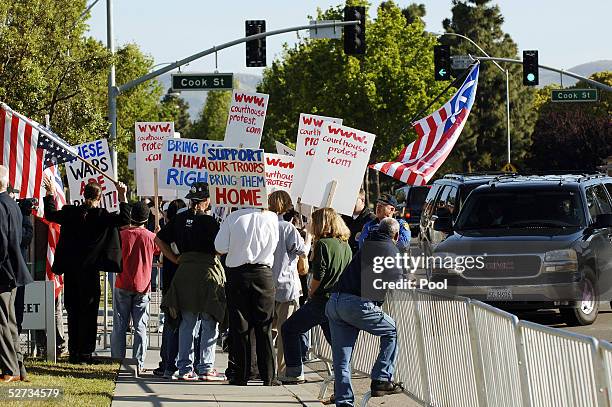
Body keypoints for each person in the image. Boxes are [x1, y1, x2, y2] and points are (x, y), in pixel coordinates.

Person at [43, 177, 127, 364]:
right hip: (90, 273)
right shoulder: (101, 216)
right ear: (100, 197)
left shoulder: (71, 213)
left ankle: (74, 351)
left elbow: (50, 215)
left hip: (72, 272)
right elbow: (124, 219)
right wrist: (122, 196)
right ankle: (85, 353)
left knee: (73, 312)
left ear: (83, 195)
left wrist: (50, 194)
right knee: (89, 313)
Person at [326, 217, 405, 406]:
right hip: (355, 304)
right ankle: (381, 378)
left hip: (335, 302)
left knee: (342, 360)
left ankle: (344, 402)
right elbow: (397, 279)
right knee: (392, 330)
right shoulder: (390, 249)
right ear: (395, 235)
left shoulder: (367, 243)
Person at [156, 183, 226, 381]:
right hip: (207, 273)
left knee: (187, 322)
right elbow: (221, 248)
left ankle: (185, 368)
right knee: (209, 321)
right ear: (206, 201)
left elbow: (158, 239)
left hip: (184, 272)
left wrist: (174, 258)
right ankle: (205, 367)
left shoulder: (179, 218)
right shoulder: (212, 222)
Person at [280, 208, 352, 384]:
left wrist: (310, 292)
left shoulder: (323, 244)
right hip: (337, 299)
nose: (311, 224)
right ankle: (343, 374)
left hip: (321, 300)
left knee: (289, 328)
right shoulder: (345, 245)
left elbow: (318, 275)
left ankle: (295, 371)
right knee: (334, 341)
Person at [214, 205, 280, 386]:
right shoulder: (271, 217)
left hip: (238, 274)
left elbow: (219, 247)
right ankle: (269, 376)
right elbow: (273, 244)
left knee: (240, 326)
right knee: (264, 326)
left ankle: (241, 374)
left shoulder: (233, 217)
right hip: (263, 273)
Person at [111, 201, 161, 375]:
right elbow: (158, 250)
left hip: (122, 283)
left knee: (119, 325)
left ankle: (117, 361)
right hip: (143, 285)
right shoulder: (150, 237)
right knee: (140, 326)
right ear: (146, 219)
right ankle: (138, 362)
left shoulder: (122, 234)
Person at [268, 191, 311, 375]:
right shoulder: (287, 228)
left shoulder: (264, 224)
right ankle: (283, 370)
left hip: (266, 284)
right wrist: (308, 237)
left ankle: (266, 368)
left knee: (268, 331)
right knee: (285, 332)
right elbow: (302, 251)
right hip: (286, 284)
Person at [0, 165, 33, 382]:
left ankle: (9, 370)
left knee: (2, 322)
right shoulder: (11, 203)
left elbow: (1, 240)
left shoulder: (1, 204)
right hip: (12, 269)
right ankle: (19, 367)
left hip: (3, 270)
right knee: (10, 321)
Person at [152, 199, 186, 378]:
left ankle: (167, 362)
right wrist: (174, 258)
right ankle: (169, 363)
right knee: (175, 323)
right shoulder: (178, 228)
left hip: (172, 281)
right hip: (176, 282)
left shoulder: (174, 227)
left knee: (172, 323)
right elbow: (158, 240)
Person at [341, 188, 375, 254]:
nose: (350, 203)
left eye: (353, 200)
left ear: (362, 200)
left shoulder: (371, 220)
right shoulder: (343, 219)